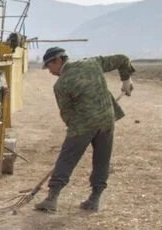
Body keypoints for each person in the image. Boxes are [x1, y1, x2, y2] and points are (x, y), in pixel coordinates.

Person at [35, 46, 135, 213]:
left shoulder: (61, 85)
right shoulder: (93, 63)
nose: (50, 71)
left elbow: (66, 113)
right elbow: (123, 59)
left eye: (49, 67)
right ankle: (94, 199)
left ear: (58, 60)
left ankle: (52, 198)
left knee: (66, 159)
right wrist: (126, 80)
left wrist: (76, 134)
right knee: (102, 160)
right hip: (106, 121)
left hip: (82, 126)